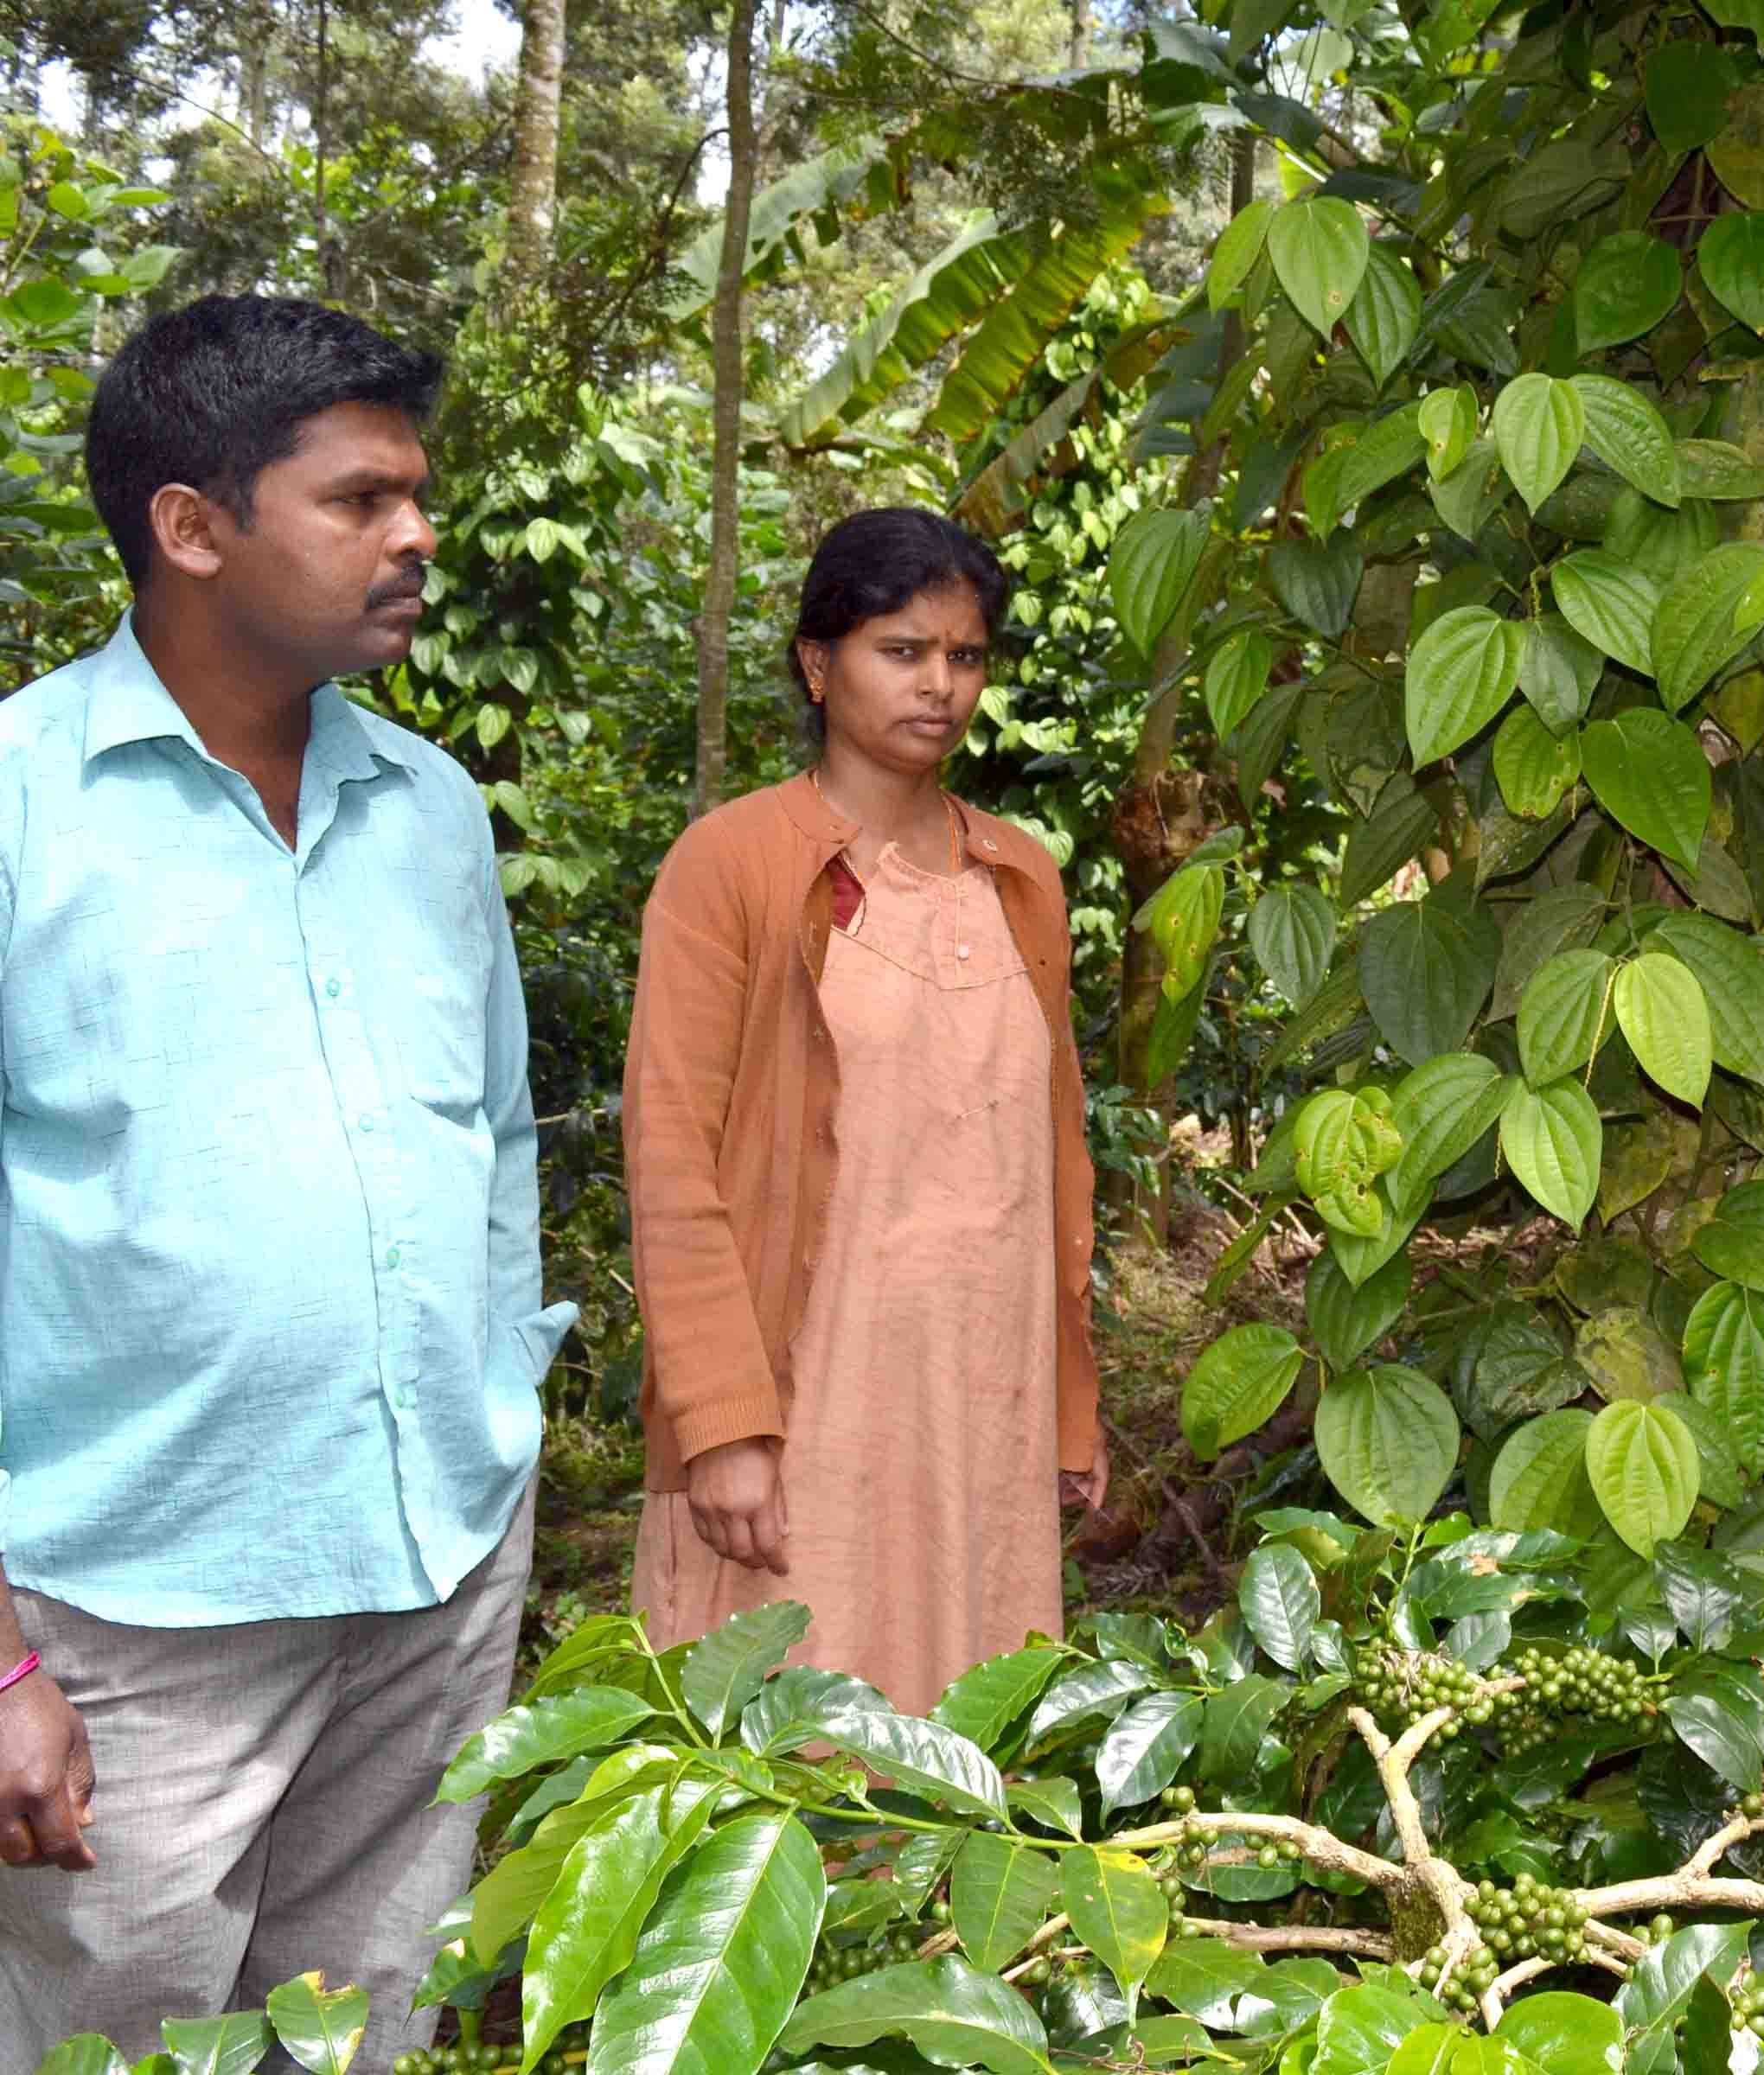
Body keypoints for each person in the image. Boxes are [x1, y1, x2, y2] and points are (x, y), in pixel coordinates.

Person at [0, 297, 567, 2055]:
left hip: (433, 1581)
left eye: (419, 495)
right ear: (191, 526)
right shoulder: (21, 806)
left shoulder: (434, 813)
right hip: (124, 1622)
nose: (416, 537)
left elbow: (493, 1148)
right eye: (360, 500)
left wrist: (500, 1410)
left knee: (362, 2030)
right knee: (115, 2043)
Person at [625, 508, 1103, 1714]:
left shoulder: (1020, 876)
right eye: (903, 650)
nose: (941, 685)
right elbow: (672, 1158)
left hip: (978, 1399)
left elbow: (1049, 1160)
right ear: (814, 662)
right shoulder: (732, 866)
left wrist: (1071, 1404)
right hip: (809, 1399)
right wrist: (722, 1424)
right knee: (790, 1732)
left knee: (968, 1722)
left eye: (967, 656)